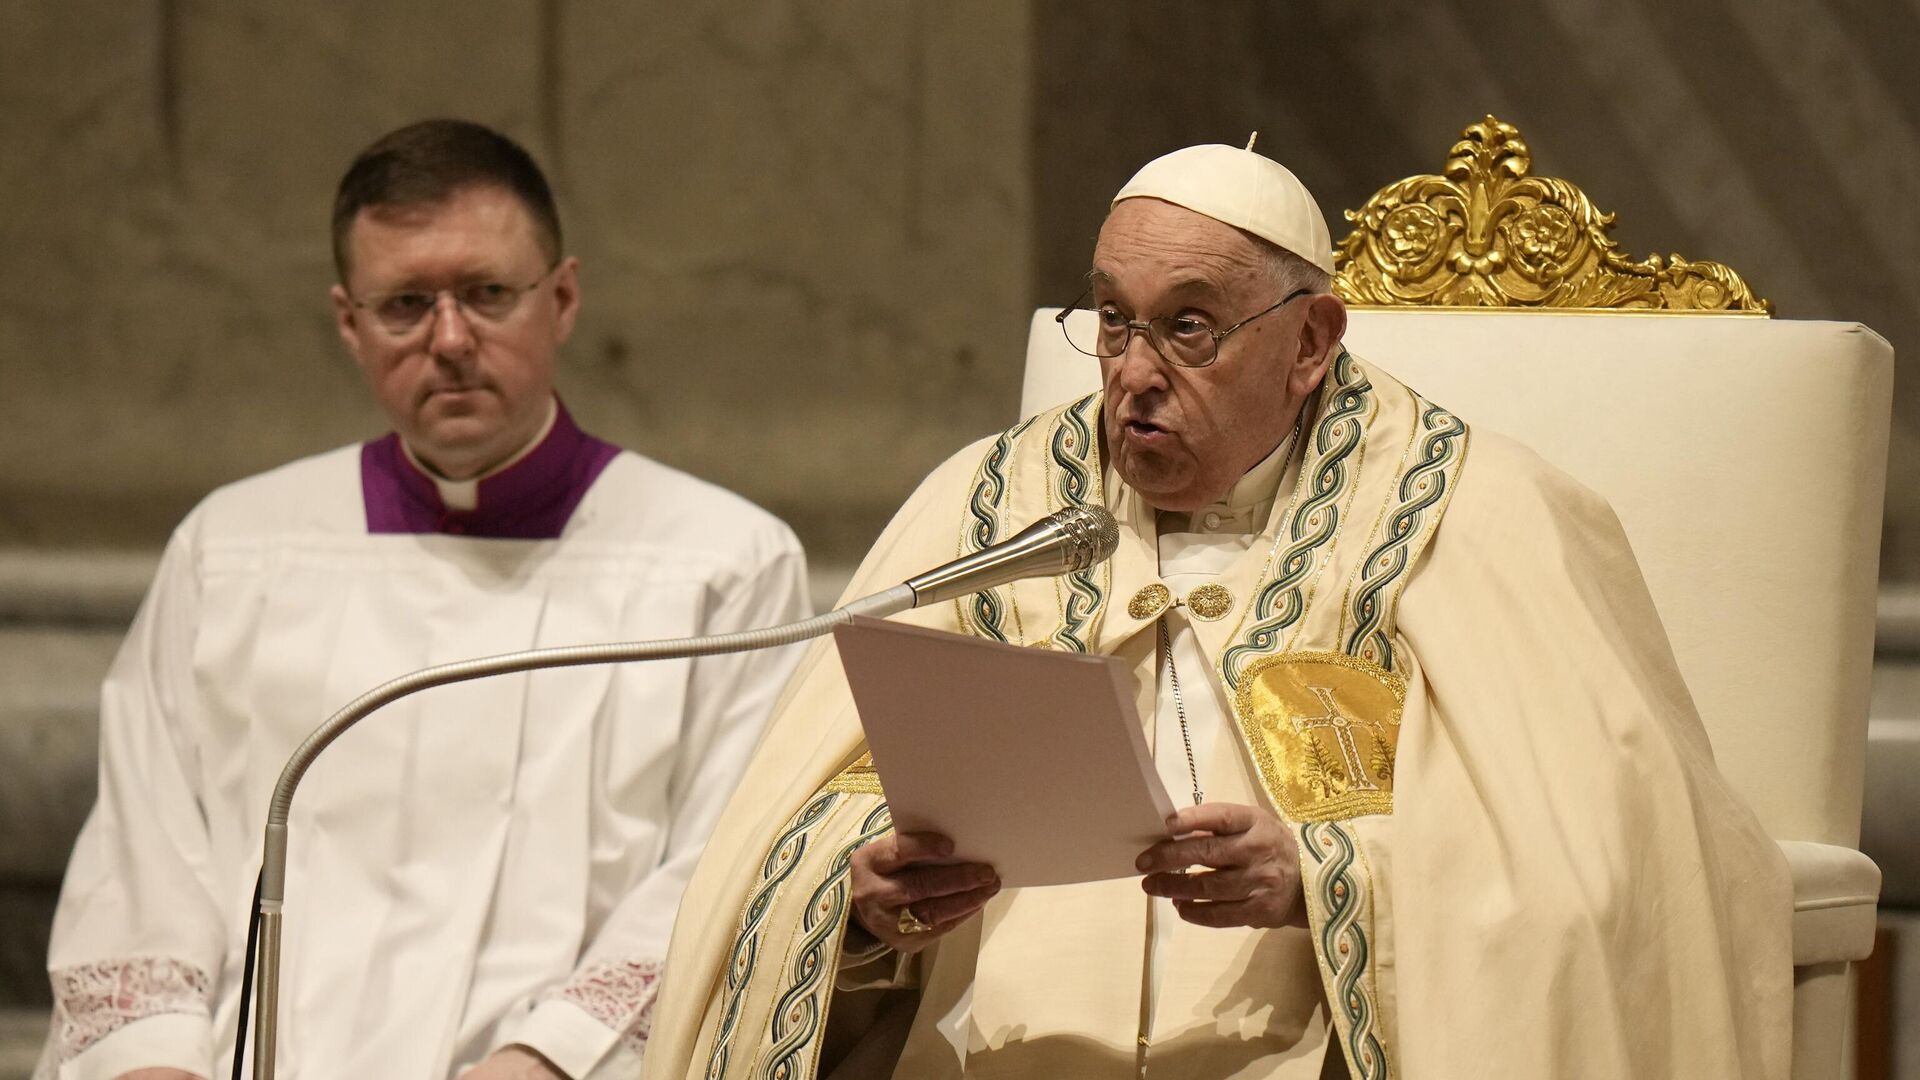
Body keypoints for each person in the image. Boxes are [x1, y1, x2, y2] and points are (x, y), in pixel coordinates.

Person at [640, 143, 1793, 1079]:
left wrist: (1319, 878)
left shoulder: (1470, 516)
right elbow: (793, 836)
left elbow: (1607, 871)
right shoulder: (992, 506)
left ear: (1311, 343)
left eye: (1188, 326)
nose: (1134, 372)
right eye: (1110, 319)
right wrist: (868, 897)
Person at [37, 119, 810, 1080]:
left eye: (488, 294)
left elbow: (726, 865)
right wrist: (155, 1064)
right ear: (347, 321)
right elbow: (143, 851)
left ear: (561, 298)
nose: (449, 340)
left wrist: (544, 1059)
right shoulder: (233, 548)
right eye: (404, 304)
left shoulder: (721, 563)